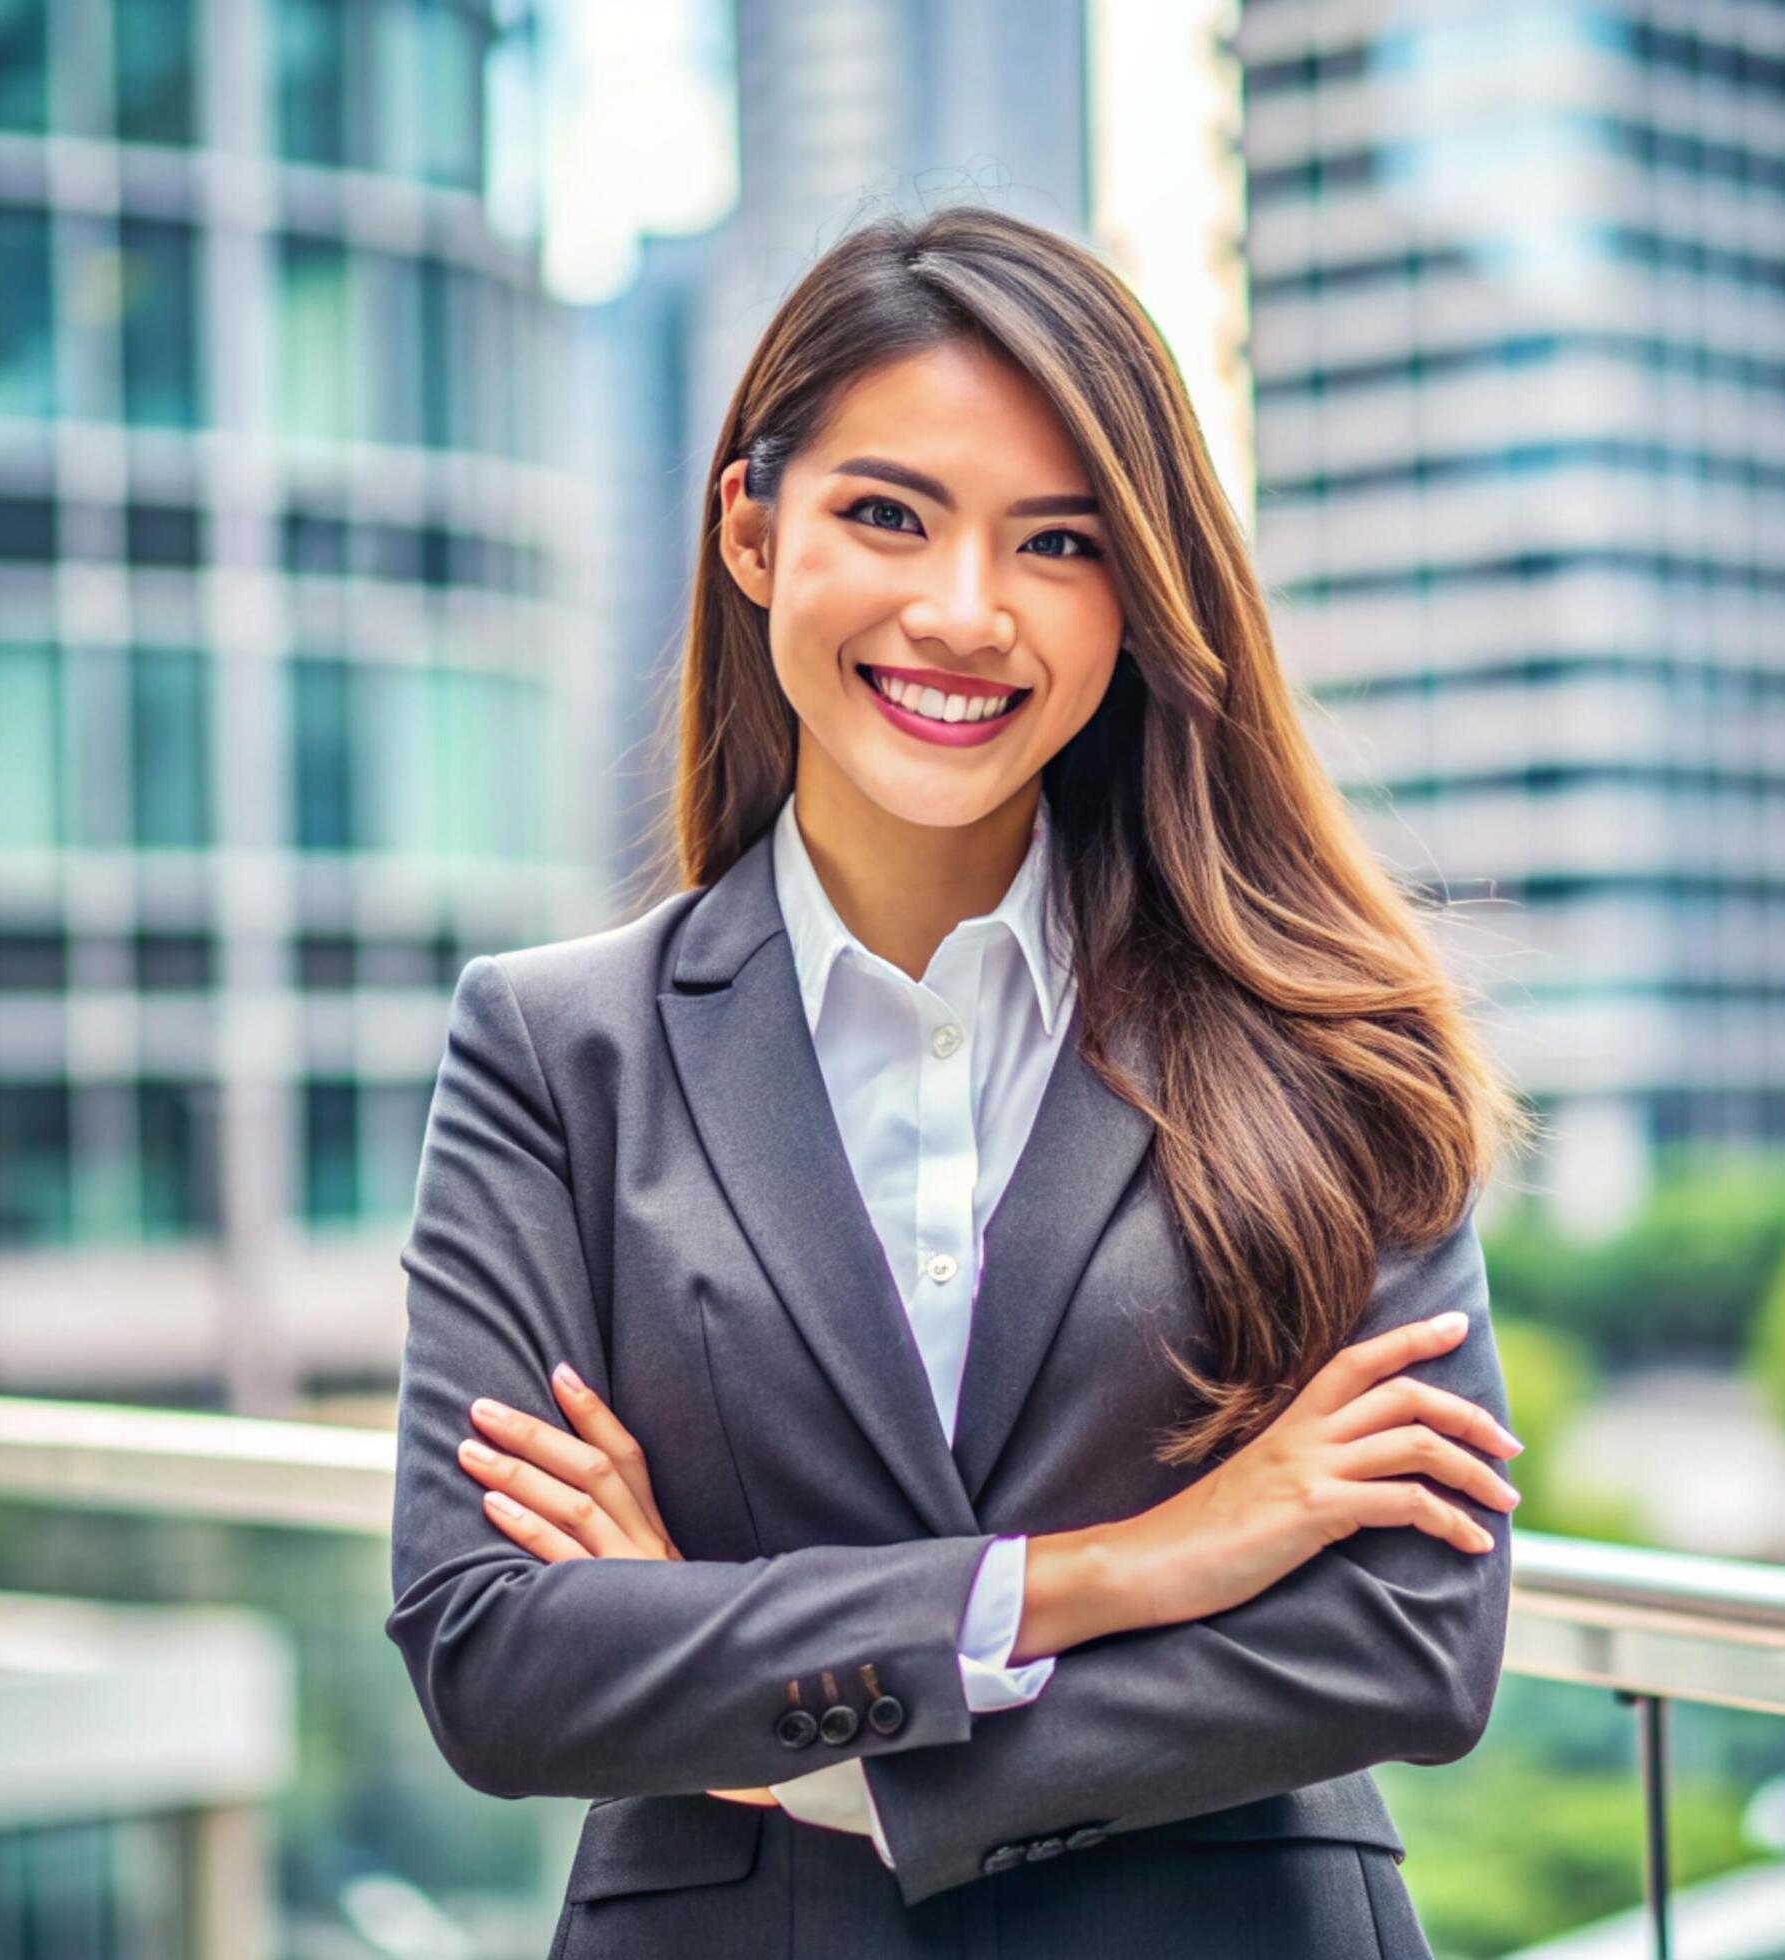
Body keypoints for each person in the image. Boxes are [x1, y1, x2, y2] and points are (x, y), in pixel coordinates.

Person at [382, 206, 1533, 1957]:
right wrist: (1132, 1565)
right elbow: (498, 1657)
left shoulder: (1324, 1033)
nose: (965, 612)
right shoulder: (559, 1053)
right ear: (754, 532)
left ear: (1138, 593)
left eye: (1056, 542)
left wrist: (770, 1707)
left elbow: (1402, 1640)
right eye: (887, 515)